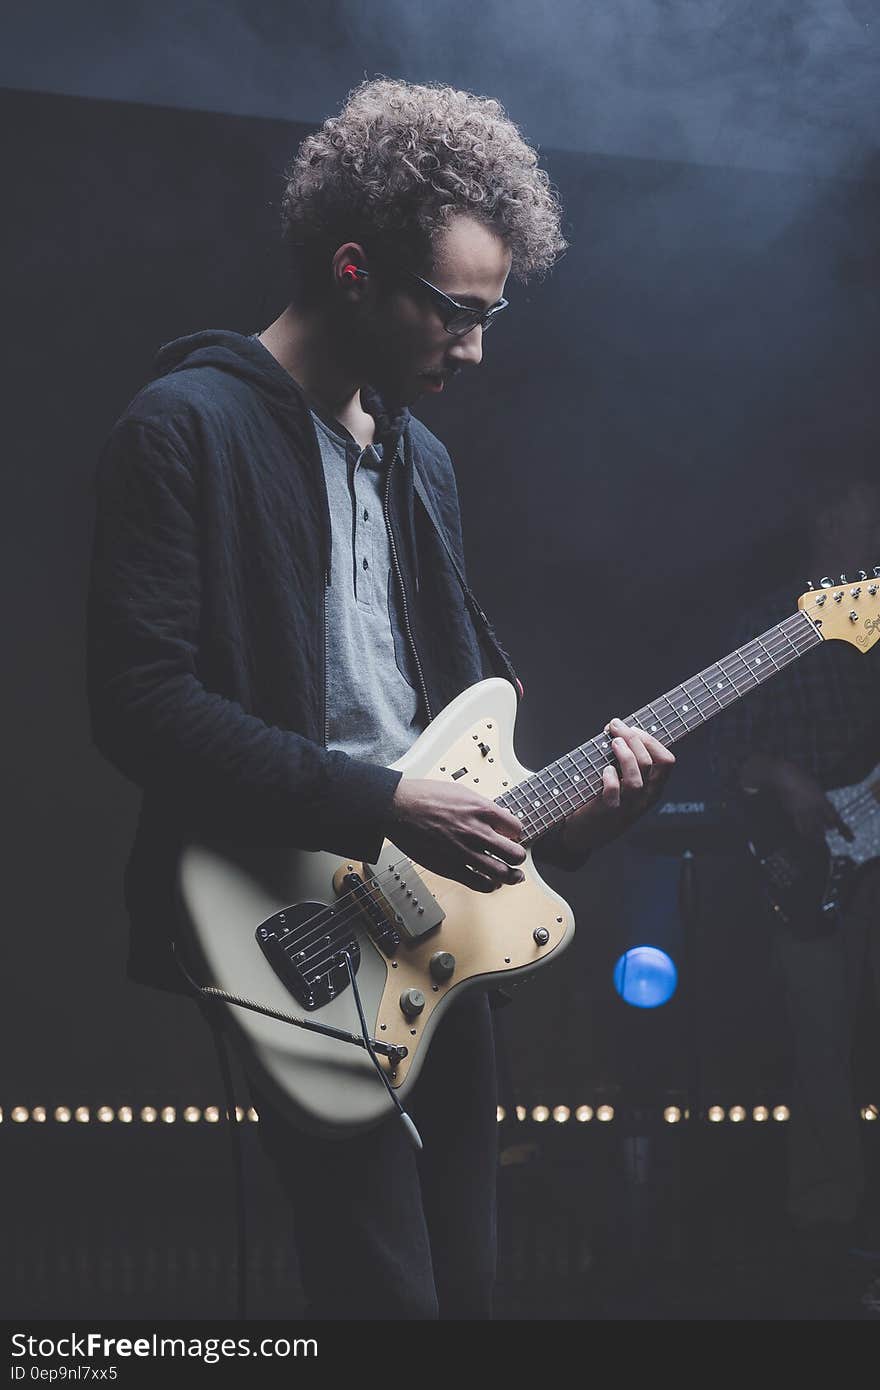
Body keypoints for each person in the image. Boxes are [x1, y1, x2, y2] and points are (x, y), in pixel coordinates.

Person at [87, 77, 675, 1320]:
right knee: (385, 1302)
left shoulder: (424, 460)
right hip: (291, 926)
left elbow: (459, 728)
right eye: (457, 314)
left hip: (436, 928)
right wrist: (382, 802)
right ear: (354, 270)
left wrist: (573, 825)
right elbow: (138, 703)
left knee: (466, 1290)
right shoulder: (181, 427)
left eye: (491, 313)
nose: (475, 348)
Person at [709, 471, 880, 1287]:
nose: (870, 521)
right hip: (810, 862)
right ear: (824, 516)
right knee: (821, 1039)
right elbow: (720, 755)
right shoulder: (769, 627)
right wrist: (781, 777)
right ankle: (826, 1220)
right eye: (858, 505)